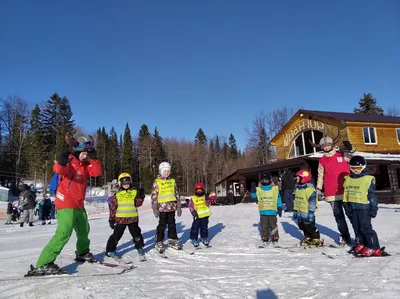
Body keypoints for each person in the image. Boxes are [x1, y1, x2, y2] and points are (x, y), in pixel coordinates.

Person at [26, 132, 102, 276]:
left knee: (84, 230)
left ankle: (82, 252)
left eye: (87, 153)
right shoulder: (70, 162)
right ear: (77, 151)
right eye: (83, 153)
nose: (85, 156)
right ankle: (44, 263)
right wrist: (61, 162)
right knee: (64, 232)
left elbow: (96, 173)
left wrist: (95, 158)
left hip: (79, 204)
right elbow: (59, 170)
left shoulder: (86, 165)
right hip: (65, 202)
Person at [311, 135, 353, 245]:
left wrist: (352, 151)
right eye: (323, 146)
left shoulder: (342, 155)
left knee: (352, 215)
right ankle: (345, 237)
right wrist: (319, 188)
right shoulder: (322, 160)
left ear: (332, 145)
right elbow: (320, 175)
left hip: (346, 190)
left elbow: (355, 160)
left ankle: (359, 236)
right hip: (331, 193)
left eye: (328, 145)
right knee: (339, 217)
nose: (326, 147)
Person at [344, 156, 385, 257]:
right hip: (353, 207)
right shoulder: (348, 179)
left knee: (365, 227)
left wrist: (373, 208)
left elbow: (372, 196)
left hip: (364, 207)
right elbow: (346, 193)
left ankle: (374, 247)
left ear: (363, 167)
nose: (355, 171)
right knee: (356, 227)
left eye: (358, 168)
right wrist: (346, 206)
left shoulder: (368, 179)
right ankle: (361, 243)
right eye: (353, 168)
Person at [106, 172, 145, 258]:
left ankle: (139, 247)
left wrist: (141, 197)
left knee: (136, 234)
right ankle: (110, 250)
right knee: (116, 235)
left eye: (128, 181)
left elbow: (137, 204)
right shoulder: (117, 195)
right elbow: (113, 208)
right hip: (120, 219)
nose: (126, 184)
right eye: (124, 182)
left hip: (132, 219)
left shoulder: (134, 192)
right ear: (120, 183)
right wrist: (111, 219)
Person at [151, 161, 182, 252]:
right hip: (162, 208)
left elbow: (176, 194)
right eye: (165, 171)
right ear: (161, 171)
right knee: (162, 225)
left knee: (172, 225)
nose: (166, 173)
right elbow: (154, 195)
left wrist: (179, 206)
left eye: (168, 171)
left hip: (172, 207)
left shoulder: (172, 181)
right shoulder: (157, 182)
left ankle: (172, 240)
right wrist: (154, 207)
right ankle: (159, 241)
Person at [251, 172, 283, 246]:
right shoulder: (259, 189)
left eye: (266, 180)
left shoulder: (274, 189)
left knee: (273, 225)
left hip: (272, 211)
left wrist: (280, 206)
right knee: (264, 226)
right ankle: (265, 238)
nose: (264, 181)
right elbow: (253, 196)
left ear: (270, 180)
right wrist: (252, 189)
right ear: (261, 181)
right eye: (263, 180)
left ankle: (275, 238)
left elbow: (278, 198)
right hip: (263, 212)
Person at [293, 170, 323, 247]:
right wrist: (295, 211)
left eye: (298, 178)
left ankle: (316, 238)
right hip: (300, 212)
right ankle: (308, 237)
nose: (297, 179)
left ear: (304, 178)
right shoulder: (297, 189)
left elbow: (312, 203)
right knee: (302, 226)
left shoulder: (309, 190)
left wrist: (311, 213)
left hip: (307, 213)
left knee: (310, 227)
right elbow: (296, 200)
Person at [189, 183, 215, 247]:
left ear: (203, 190)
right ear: (195, 191)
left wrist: (207, 199)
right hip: (197, 216)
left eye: (200, 190)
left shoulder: (205, 197)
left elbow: (208, 204)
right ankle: (194, 239)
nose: (199, 192)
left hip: (205, 215)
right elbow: (190, 206)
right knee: (195, 228)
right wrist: (193, 212)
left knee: (204, 228)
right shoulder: (193, 198)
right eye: (198, 190)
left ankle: (204, 238)